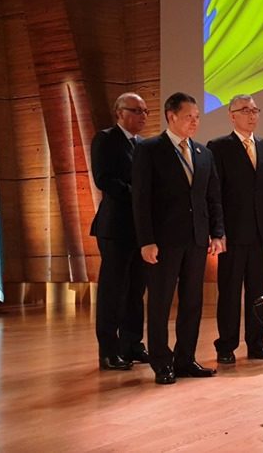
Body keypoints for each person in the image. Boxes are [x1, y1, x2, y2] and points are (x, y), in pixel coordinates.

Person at [132, 92, 226, 384]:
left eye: (197, 117)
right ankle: (161, 362)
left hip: (196, 239)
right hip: (163, 240)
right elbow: (141, 199)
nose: (195, 122)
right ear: (171, 116)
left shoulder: (203, 153)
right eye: (188, 117)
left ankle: (186, 359)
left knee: (192, 302)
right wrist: (146, 240)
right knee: (160, 302)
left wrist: (217, 233)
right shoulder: (149, 149)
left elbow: (213, 197)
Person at [207, 95, 263, 364]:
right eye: (245, 110)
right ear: (232, 115)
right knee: (229, 291)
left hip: (260, 232)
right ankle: (226, 345)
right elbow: (214, 193)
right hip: (232, 233)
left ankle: (257, 342)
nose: (252, 115)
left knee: (257, 291)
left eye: (255, 110)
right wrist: (218, 231)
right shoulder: (218, 147)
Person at [90, 92, 150, 371]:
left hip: (140, 229)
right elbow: (104, 179)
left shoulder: (144, 145)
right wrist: (139, 195)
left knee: (136, 289)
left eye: (145, 111)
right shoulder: (106, 139)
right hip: (115, 227)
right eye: (136, 111)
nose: (142, 116)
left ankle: (132, 344)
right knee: (113, 290)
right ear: (119, 112)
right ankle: (108, 350)